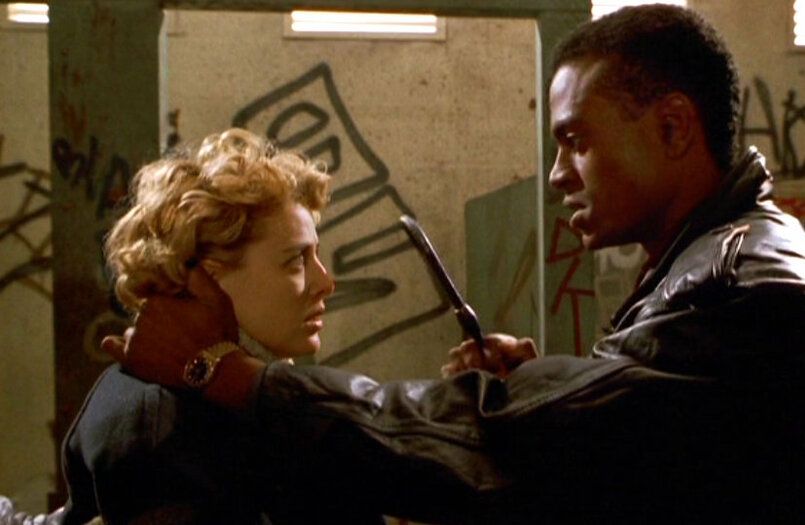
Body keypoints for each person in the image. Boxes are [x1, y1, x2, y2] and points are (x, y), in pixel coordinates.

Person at [101, 5, 805, 523]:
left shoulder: (748, 289)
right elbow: (637, 452)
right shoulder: (717, 265)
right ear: (206, 272)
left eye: (576, 141)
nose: (558, 174)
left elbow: (512, 450)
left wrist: (231, 377)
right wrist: (549, 389)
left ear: (673, 127)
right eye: (294, 259)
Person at [59, 128, 380, 524]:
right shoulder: (157, 418)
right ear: (210, 280)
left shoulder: (255, 394)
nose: (326, 282)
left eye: (316, 255)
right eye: (295, 261)